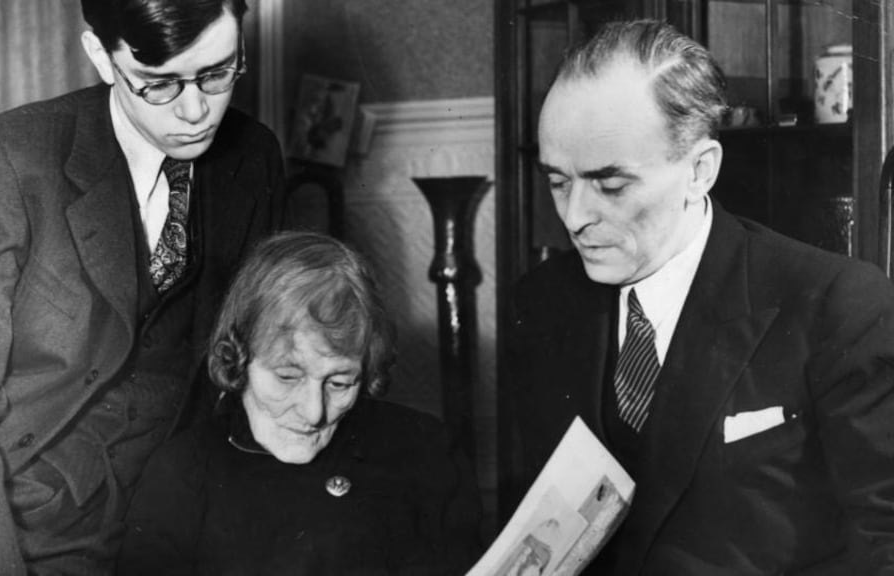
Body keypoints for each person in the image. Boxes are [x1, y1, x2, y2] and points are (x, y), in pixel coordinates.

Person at [0, 0, 286, 573]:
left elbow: (252, 354)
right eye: (158, 84)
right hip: (13, 516)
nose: (196, 111)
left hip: (168, 515)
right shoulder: (6, 160)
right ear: (100, 56)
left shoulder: (254, 155)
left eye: (217, 73)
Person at [510, 19, 894, 575]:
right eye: (558, 182)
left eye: (611, 186)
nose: (574, 218)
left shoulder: (836, 305)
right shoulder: (542, 304)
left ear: (699, 171)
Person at [116, 231, 482, 575]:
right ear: (238, 358)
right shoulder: (183, 474)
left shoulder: (425, 451)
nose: (314, 412)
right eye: (287, 377)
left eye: (340, 383)